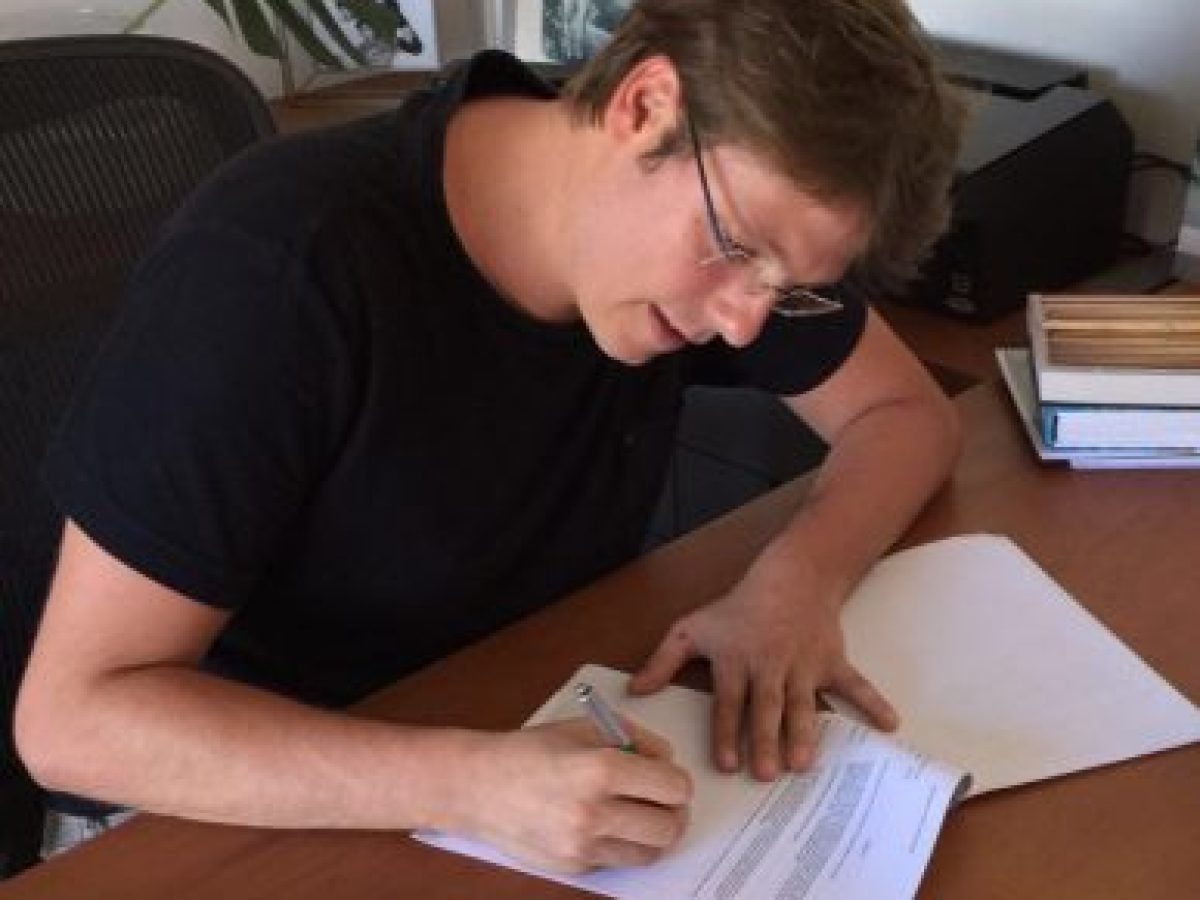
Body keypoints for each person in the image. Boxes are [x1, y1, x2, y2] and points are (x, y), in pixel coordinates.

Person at [15, 0, 964, 874]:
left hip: (504, 731)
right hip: (224, 805)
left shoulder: (706, 237)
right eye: (736, 249)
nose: (745, 321)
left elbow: (904, 416)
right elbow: (72, 723)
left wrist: (795, 582)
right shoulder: (277, 270)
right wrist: (467, 784)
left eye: (788, 289)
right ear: (644, 106)